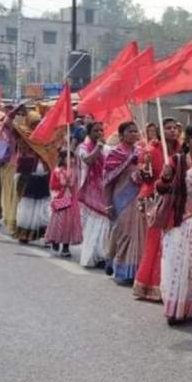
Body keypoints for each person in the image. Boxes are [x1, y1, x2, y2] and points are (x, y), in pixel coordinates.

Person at [158, 124, 192, 324]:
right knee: (178, 264)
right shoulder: (178, 161)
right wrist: (165, 176)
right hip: (182, 220)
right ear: (188, 140)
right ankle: (176, 308)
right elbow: (161, 188)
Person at [134, 118, 181, 301]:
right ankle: (150, 284)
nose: (172, 131)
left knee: (169, 243)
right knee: (155, 241)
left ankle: (167, 284)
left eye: (174, 128)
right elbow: (144, 177)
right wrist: (158, 173)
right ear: (161, 132)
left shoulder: (180, 151)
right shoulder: (150, 151)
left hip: (174, 201)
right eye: (168, 128)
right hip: (153, 200)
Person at [104, 121, 146, 285]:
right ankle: (118, 266)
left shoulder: (141, 152)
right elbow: (107, 181)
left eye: (136, 131)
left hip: (139, 197)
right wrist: (108, 204)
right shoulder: (115, 154)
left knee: (139, 234)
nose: (134, 134)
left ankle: (134, 271)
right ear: (121, 135)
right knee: (123, 233)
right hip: (121, 197)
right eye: (130, 131)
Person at [11, 112, 55, 244]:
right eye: (35, 123)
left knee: (42, 206)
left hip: (44, 175)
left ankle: (40, 233)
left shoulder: (46, 137)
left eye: (39, 123)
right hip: (27, 174)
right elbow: (12, 127)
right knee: (27, 205)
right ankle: (24, 234)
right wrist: (15, 112)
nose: (37, 126)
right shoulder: (23, 135)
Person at [77, 122, 109, 268]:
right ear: (89, 133)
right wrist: (99, 147)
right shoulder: (83, 148)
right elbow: (88, 160)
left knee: (104, 223)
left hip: (104, 188)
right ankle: (90, 255)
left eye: (101, 130)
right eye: (96, 130)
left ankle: (100, 255)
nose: (99, 133)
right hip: (90, 188)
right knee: (94, 223)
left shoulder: (106, 148)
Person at [46, 150, 82, 257]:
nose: (71, 160)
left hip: (71, 201)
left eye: (72, 158)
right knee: (58, 223)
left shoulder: (74, 171)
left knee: (69, 224)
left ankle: (66, 247)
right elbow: (53, 186)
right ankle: (55, 240)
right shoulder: (57, 170)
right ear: (62, 159)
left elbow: (75, 184)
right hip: (61, 200)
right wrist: (63, 183)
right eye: (68, 158)